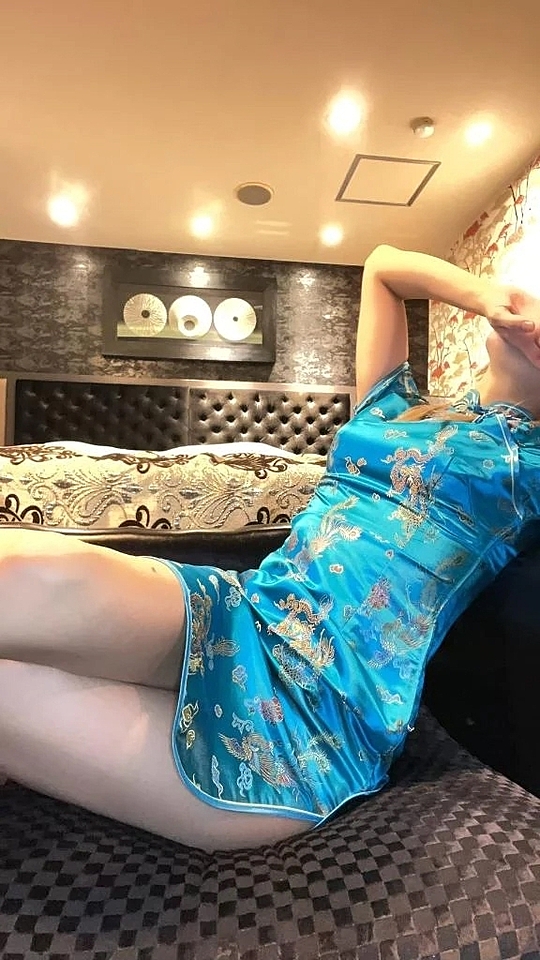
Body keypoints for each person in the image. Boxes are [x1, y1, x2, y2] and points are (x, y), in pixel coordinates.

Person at [2, 244, 540, 854]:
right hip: (247, 612)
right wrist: (483, 294)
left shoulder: (527, 471)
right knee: (28, 568)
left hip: (314, 715)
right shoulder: (396, 408)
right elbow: (383, 267)